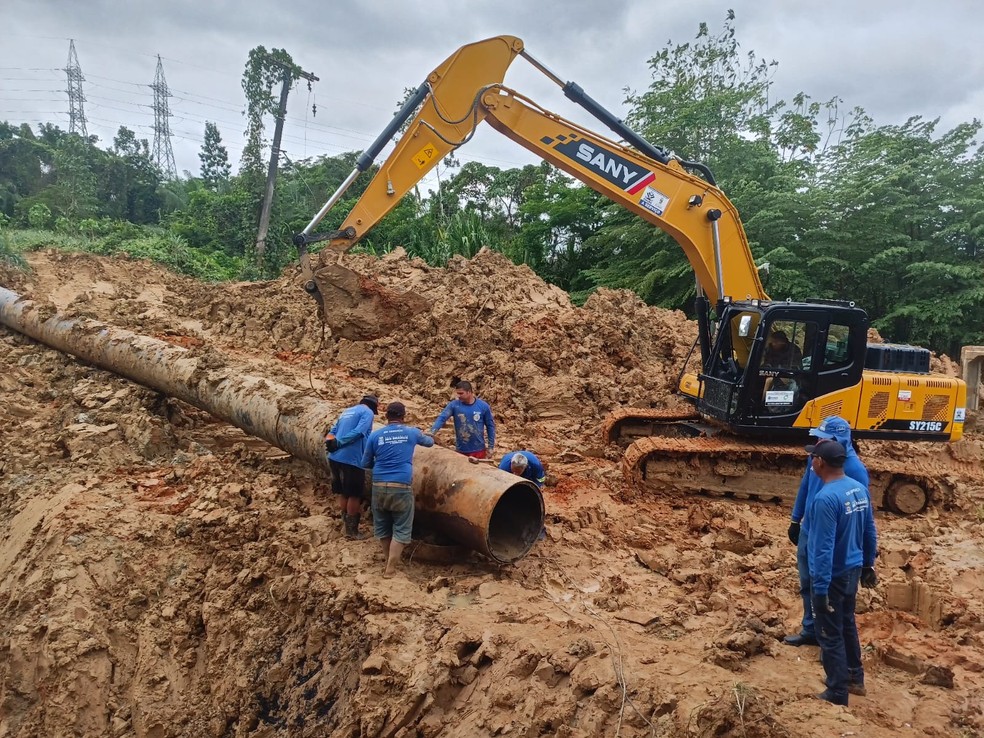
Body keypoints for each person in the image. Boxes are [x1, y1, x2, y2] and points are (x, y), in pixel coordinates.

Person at [784, 416, 869, 648]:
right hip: (809, 531)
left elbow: (863, 515)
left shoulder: (855, 470)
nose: (818, 443)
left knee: (829, 591)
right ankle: (810, 629)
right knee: (807, 584)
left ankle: (829, 638)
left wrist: (865, 557)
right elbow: (805, 486)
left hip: (832, 540)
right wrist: (795, 519)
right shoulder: (817, 459)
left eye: (823, 439)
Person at [805, 438, 878, 706]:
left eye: (813, 457)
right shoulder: (858, 489)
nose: (811, 461)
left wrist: (820, 590)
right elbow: (869, 529)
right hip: (852, 569)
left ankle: (837, 691)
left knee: (829, 633)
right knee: (847, 625)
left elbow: (822, 549)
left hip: (832, 576)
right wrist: (868, 564)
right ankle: (854, 678)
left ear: (821, 462)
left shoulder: (826, 499)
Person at [361, 401, 434, 577]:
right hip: (401, 486)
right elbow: (430, 443)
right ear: (403, 416)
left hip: (378, 486)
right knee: (401, 527)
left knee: (383, 527)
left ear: (386, 416)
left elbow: (365, 463)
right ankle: (391, 568)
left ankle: (388, 560)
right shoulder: (411, 432)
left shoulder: (375, 435)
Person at [325, 395, 378, 540]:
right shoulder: (367, 413)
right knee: (354, 494)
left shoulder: (346, 411)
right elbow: (359, 432)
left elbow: (332, 431)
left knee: (344, 492)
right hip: (352, 458)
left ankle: (344, 524)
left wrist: (330, 443)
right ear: (373, 407)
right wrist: (340, 443)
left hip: (335, 457)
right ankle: (351, 531)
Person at [429, 380, 496, 459]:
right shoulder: (454, 405)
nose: (458, 396)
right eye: (458, 393)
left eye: (461, 393)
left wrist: (491, 447)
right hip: (461, 450)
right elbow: (442, 418)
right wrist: (432, 432)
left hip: (478, 450)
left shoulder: (483, 406)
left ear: (469, 392)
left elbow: (490, 426)